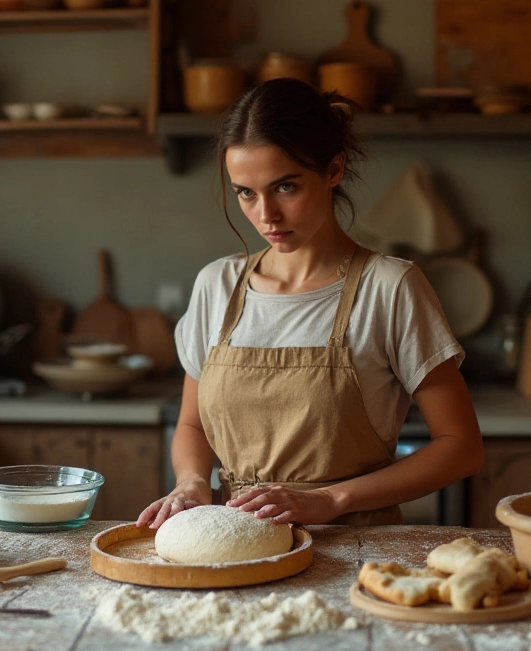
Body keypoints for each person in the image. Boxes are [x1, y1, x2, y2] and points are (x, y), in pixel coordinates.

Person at [137, 78, 484, 529]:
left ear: (333, 170)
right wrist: (191, 482)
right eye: (245, 192)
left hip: (357, 551)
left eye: (285, 187)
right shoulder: (217, 286)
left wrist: (331, 500)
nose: (266, 215)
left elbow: (461, 446)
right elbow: (193, 426)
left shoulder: (390, 287)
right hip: (241, 543)